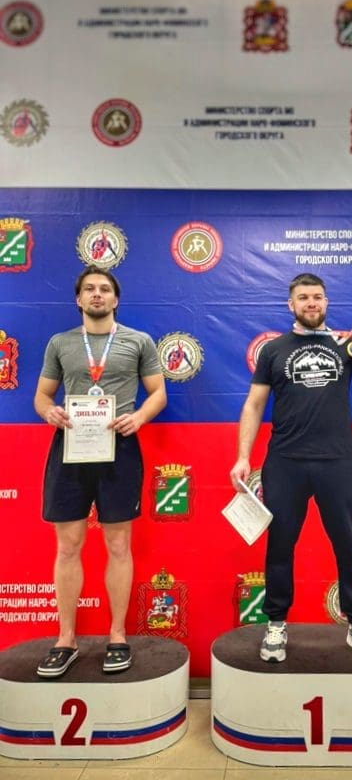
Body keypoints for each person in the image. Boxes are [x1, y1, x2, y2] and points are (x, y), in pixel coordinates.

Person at [230, 273, 352, 664]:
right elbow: (254, 405)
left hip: (337, 462)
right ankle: (276, 623)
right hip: (285, 463)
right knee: (280, 546)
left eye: (317, 297)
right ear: (291, 305)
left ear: (326, 302)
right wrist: (243, 456)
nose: (311, 303)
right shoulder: (273, 350)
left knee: (349, 545)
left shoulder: (347, 345)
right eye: (303, 297)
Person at [33, 266, 167, 678]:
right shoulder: (60, 343)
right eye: (89, 289)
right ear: (78, 299)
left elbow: (158, 393)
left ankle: (117, 635)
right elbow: (42, 396)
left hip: (118, 447)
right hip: (71, 446)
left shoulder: (138, 341)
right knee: (68, 546)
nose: (97, 294)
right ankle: (66, 639)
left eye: (104, 289)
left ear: (115, 299)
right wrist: (49, 412)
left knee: (119, 544)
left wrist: (139, 417)